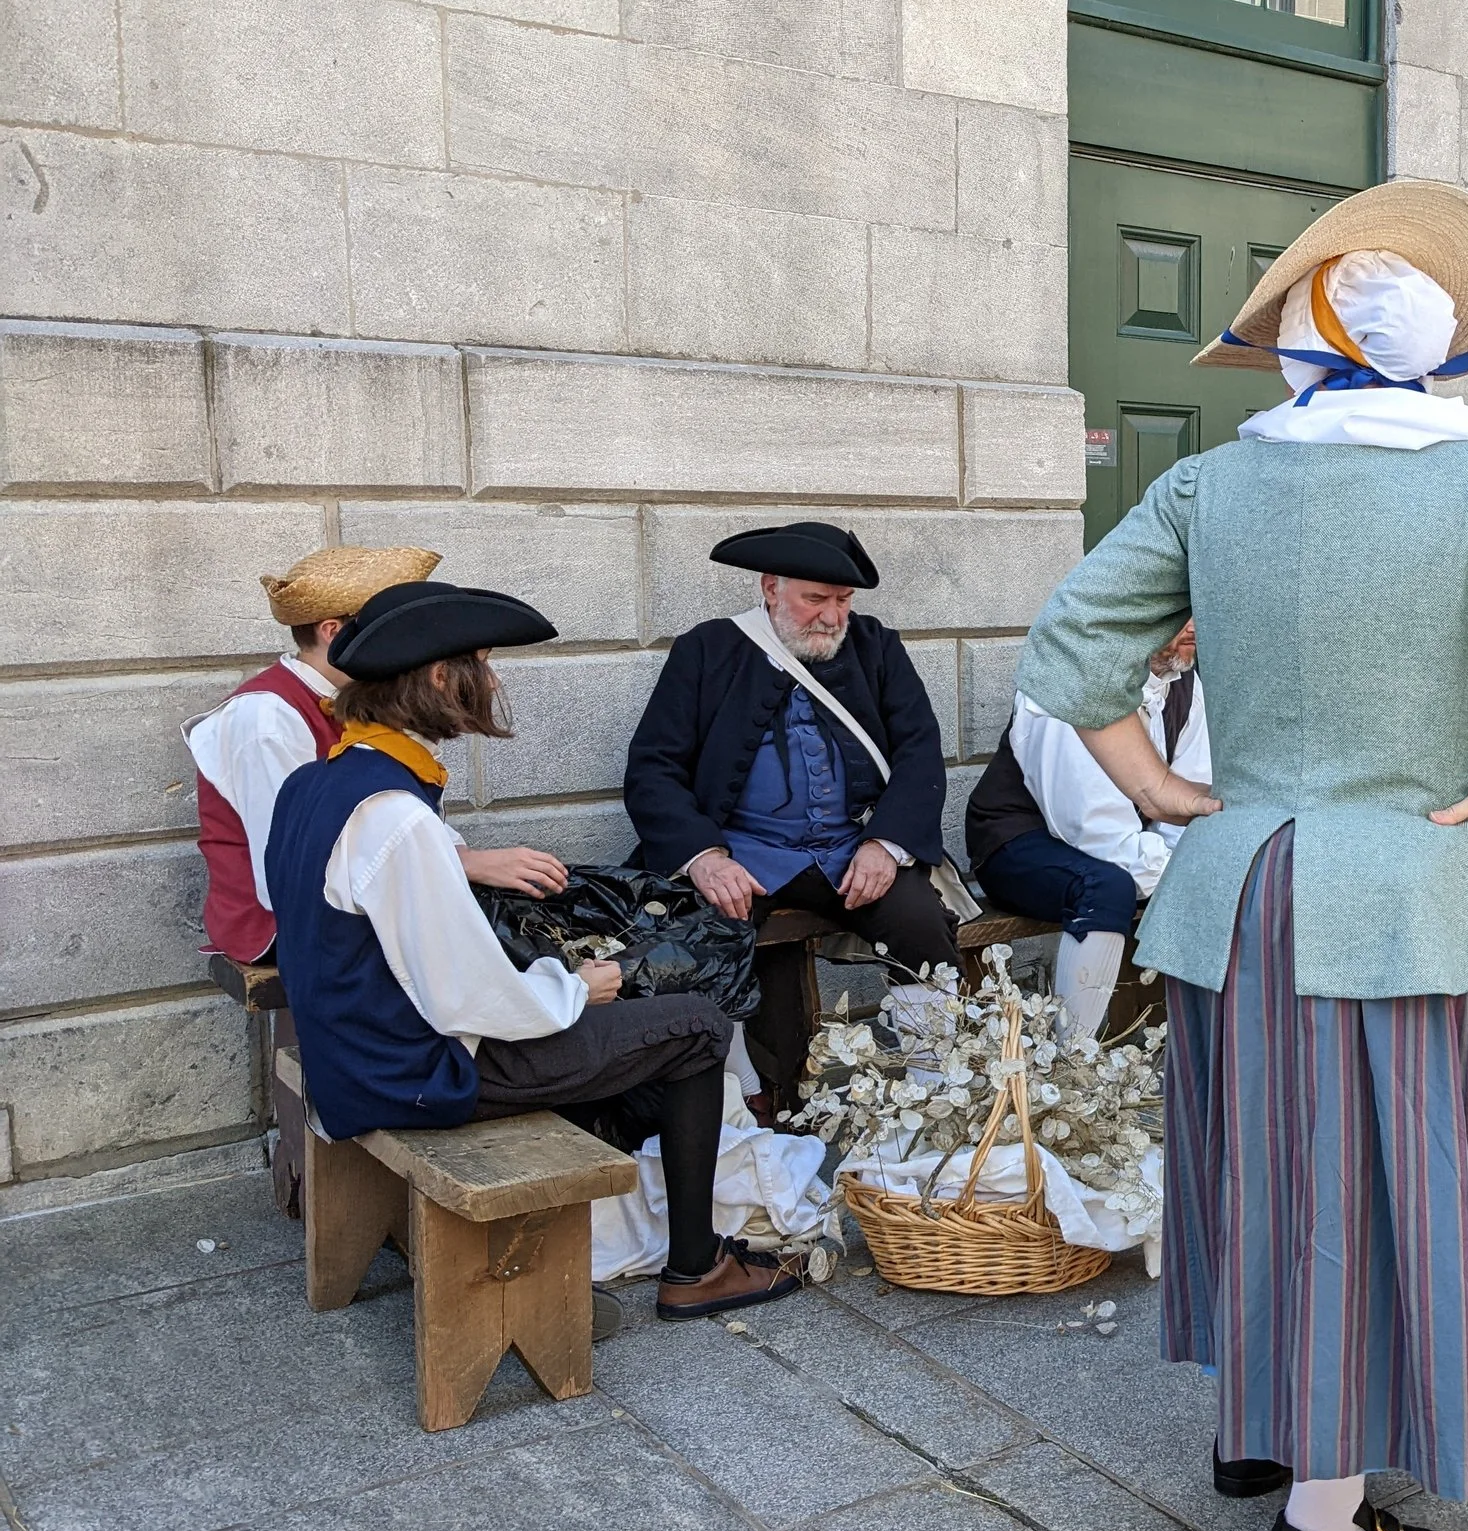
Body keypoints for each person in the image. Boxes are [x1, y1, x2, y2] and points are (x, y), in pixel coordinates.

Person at [1016, 182, 1468, 1531]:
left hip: (1243, 886)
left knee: (1262, 1161)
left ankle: (1264, 1427)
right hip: (1411, 897)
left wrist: (1153, 785)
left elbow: (1071, 646)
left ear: (1303, 350)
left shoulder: (1211, 480)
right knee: (1378, 1188)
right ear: (1426, 355)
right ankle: (1322, 1514)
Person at [263, 579, 804, 1319]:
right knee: (699, 1024)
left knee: (636, 1021)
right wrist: (582, 981)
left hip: (349, 1056)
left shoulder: (313, 781)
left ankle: (609, 1216)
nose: (491, 681)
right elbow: (469, 996)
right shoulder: (395, 814)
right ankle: (695, 1267)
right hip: (415, 1073)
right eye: (480, 663)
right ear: (433, 678)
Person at [623, 522, 962, 1116]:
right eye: (816, 599)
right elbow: (654, 768)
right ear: (771, 588)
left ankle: (938, 1095)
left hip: (850, 848)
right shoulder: (708, 649)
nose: (832, 616)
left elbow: (919, 753)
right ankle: (741, 1100)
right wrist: (703, 857)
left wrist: (886, 844)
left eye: (843, 601)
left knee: (922, 926)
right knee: (703, 942)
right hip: (743, 851)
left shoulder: (876, 646)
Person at [186, 545, 568, 965]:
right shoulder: (266, 718)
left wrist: (465, 860)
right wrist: (462, 866)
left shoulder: (367, 700)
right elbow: (290, 870)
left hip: (358, 900)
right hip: (288, 927)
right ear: (333, 633)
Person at [965, 620, 1210, 1040]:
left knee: (1217, 872)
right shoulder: (1072, 679)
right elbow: (1091, 827)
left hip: (1124, 840)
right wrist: (1176, 874)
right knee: (1106, 887)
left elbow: (1191, 799)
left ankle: (1188, 1046)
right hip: (1019, 841)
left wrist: (1188, 868)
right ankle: (1073, 1058)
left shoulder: (1184, 686)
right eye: (1178, 611)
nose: (1192, 625)